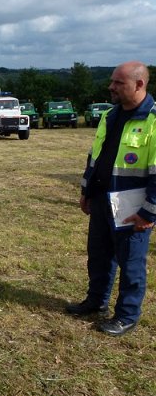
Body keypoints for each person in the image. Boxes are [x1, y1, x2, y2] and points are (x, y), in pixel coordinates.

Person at [66, 61, 154, 337]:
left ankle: (127, 315)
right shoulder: (110, 115)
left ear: (139, 84)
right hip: (102, 199)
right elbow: (94, 158)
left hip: (133, 207)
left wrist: (148, 213)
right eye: (112, 81)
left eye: (118, 83)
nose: (110, 87)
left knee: (131, 263)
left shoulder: (153, 121)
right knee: (99, 255)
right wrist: (86, 192)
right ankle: (96, 301)